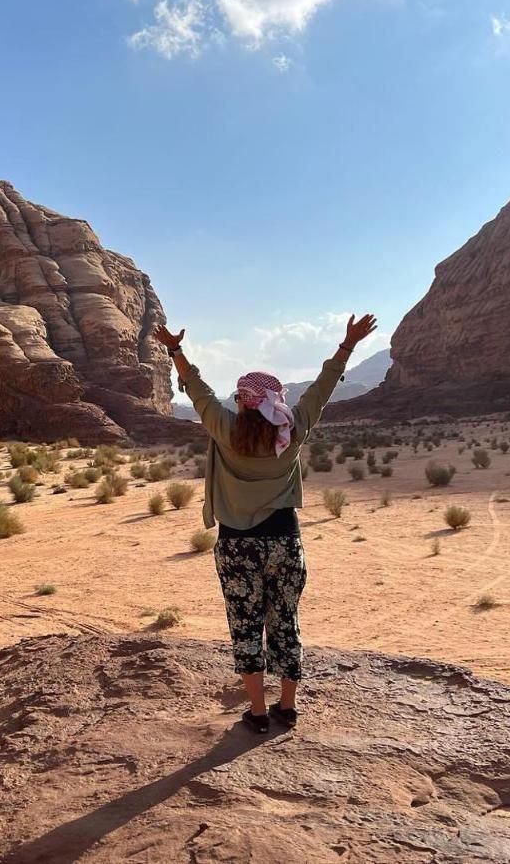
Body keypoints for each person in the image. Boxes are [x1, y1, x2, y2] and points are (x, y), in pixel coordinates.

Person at [153, 314, 378, 734]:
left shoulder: (224, 428)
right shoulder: (291, 431)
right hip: (285, 542)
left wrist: (175, 349)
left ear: (241, 401)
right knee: (285, 621)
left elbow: (197, 389)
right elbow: (321, 391)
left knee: (245, 625)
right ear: (275, 400)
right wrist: (347, 344)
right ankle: (287, 708)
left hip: (237, 545)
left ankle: (257, 713)